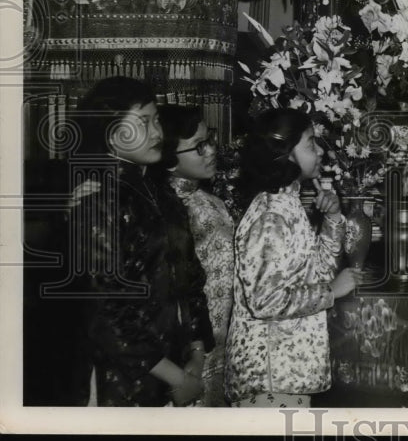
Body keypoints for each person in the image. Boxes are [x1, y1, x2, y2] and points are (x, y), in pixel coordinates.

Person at [71, 77, 213, 406]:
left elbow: (191, 279)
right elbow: (106, 313)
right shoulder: (99, 200)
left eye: (156, 120)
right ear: (109, 132)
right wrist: (176, 376)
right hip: (126, 383)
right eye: (142, 123)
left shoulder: (163, 193)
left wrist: (196, 351)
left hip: (175, 371)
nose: (157, 133)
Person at [225, 108, 355, 408]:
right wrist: (332, 292)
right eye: (310, 143)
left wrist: (333, 219)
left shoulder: (288, 204)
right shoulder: (270, 216)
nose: (320, 151)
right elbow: (264, 301)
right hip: (268, 376)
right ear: (285, 153)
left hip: (286, 372)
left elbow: (318, 271)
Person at [152, 105, 235, 407]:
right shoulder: (168, 212)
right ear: (169, 160)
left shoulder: (211, 202)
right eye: (199, 146)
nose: (211, 150)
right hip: (190, 352)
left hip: (223, 344)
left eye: (209, 139)